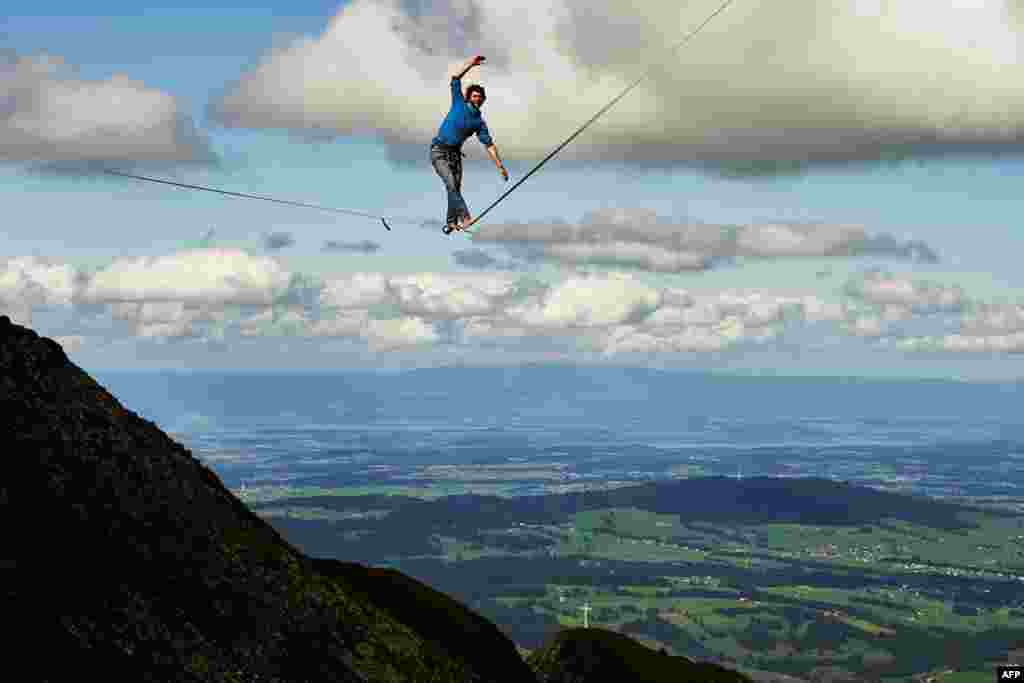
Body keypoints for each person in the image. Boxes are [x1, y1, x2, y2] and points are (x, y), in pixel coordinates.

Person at [430, 55, 508, 234]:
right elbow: (455, 78)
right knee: (450, 183)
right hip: (439, 151)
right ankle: (465, 216)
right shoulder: (458, 103)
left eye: (479, 97)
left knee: (454, 189)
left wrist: (500, 166)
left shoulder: (479, 122)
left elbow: (489, 145)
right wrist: (470, 65)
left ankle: (451, 222)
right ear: (468, 97)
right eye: (474, 96)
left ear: (482, 100)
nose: (476, 99)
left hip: (455, 156)